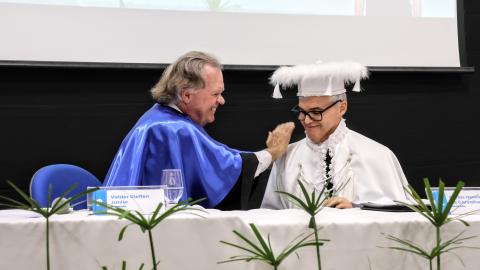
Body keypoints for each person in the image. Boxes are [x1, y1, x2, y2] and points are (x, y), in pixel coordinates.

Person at [104, 51, 294, 210]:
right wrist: (272, 153)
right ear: (186, 94)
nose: (222, 101)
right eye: (215, 94)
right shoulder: (174, 129)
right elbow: (228, 168)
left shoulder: (157, 117)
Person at [261, 61, 410, 209]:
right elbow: (270, 219)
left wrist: (357, 208)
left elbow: (398, 218)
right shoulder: (287, 158)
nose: (306, 120)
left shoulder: (377, 155)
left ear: (342, 108)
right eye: (301, 111)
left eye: (315, 112)